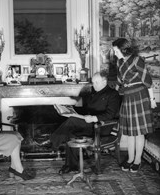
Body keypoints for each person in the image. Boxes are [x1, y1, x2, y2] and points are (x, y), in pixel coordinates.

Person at [50, 71, 121, 174]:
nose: (93, 85)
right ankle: (71, 166)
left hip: (101, 127)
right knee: (70, 133)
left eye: (96, 82)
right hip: (89, 124)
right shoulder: (93, 92)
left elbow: (110, 114)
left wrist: (94, 118)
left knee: (72, 121)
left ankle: (53, 142)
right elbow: (86, 109)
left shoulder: (113, 94)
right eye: (93, 82)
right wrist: (70, 110)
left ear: (104, 82)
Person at [112, 38, 157, 173]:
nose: (114, 54)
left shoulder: (137, 60)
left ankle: (137, 160)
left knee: (139, 133)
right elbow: (120, 82)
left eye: (116, 50)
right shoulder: (120, 62)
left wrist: (152, 99)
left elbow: (147, 81)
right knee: (130, 133)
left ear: (123, 49)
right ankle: (130, 159)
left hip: (140, 96)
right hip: (128, 97)